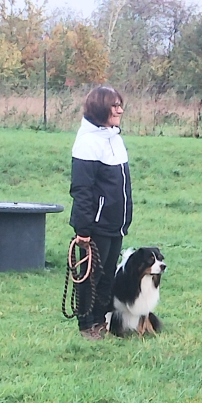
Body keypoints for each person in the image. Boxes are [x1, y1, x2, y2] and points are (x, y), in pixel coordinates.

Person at [69, 85, 133, 339]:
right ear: (100, 109)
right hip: (96, 225)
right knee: (90, 277)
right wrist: (83, 229)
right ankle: (87, 325)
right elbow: (82, 189)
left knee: (107, 277)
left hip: (115, 224)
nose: (120, 110)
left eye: (120, 105)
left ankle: (101, 321)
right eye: (114, 106)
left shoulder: (114, 138)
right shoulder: (87, 142)